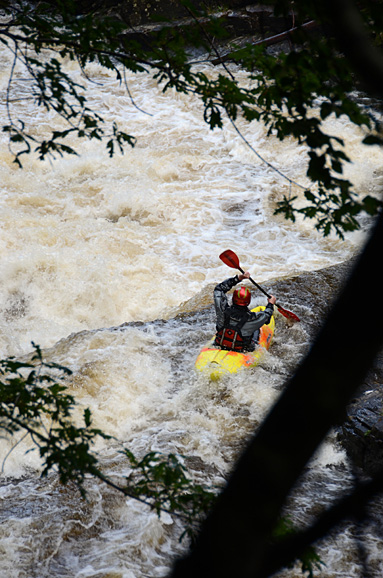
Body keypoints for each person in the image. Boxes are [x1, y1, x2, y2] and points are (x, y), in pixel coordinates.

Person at [213, 272, 276, 352]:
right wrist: (271, 304)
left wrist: (238, 278)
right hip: (242, 350)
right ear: (248, 301)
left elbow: (219, 289)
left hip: (220, 344)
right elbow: (267, 316)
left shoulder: (222, 309)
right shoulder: (252, 318)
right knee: (256, 329)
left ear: (233, 298)